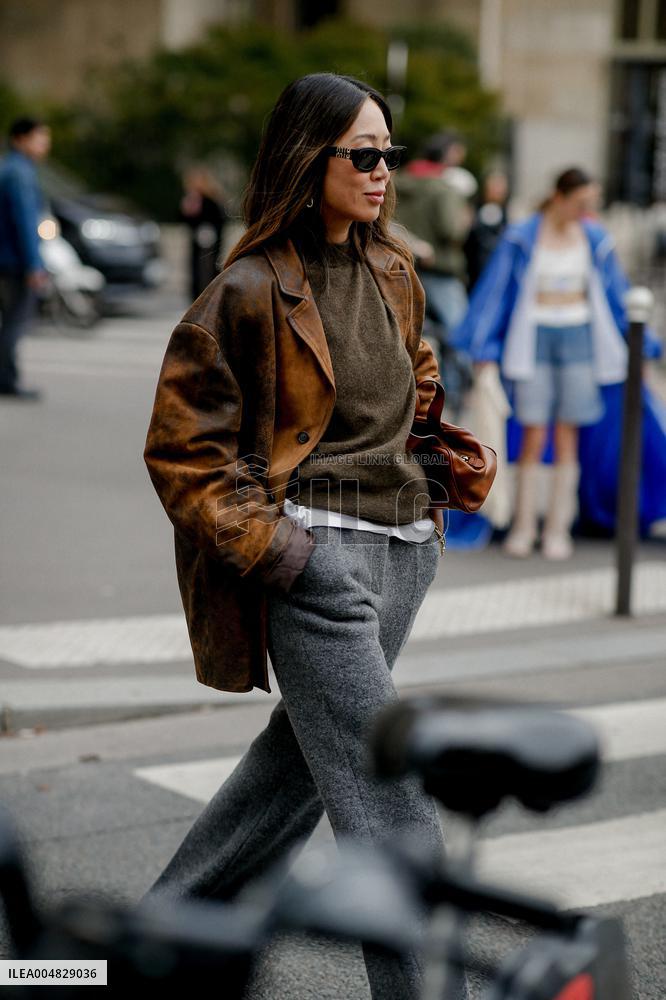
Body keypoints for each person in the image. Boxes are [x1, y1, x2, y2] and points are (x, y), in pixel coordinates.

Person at [140, 73, 466, 1000]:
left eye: (388, 156)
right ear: (306, 159)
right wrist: (284, 554)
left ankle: (135, 956)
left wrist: (433, 482)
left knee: (284, 787)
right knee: (392, 795)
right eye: (361, 155)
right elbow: (184, 451)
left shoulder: (394, 269)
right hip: (315, 565)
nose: (380, 173)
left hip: (405, 553)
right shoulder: (243, 291)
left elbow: (416, 382)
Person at [453, 166, 663, 560]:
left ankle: (557, 528)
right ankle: (523, 524)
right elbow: (496, 293)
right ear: (560, 197)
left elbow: (617, 296)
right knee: (532, 433)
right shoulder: (523, 236)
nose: (586, 210)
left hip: (580, 340)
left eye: (591, 204)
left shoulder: (595, 237)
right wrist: (483, 348)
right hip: (533, 342)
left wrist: (643, 344)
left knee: (568, 435)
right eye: (581, 203)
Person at [393, 130, 473, 419]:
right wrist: (465, 218)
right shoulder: (444, 188)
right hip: (443, 272)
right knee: (461, 337)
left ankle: (414, 401)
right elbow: (451, 230)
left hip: (407, 270)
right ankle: (452, 398)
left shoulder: (399, 182)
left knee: (413, 337)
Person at [0, 116, 51, 400]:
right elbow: (24, 222)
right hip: (15, 261)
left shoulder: (9, 167)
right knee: (14, 321)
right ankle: (7, 379)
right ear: (20, 139)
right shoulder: (20, 173)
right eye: (40, 138)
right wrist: (34, 265)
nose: (44, 145)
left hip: (7, 259)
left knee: (9, 320)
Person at [179, 164, 229, 301]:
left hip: (212, 240)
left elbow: (221, 218)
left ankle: (213, 297)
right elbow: (185, 219)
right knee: (196, 269)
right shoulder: (192, 199)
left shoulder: (212, 199)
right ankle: (196, 298)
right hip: (197, 240)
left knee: (212, 267)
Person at [464, 169, 509, 291]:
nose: (497, 190)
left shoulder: (509, 212)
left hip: (499, 268)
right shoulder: (473, 210)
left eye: (500, 186)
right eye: (494, 185)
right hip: (476, 268)